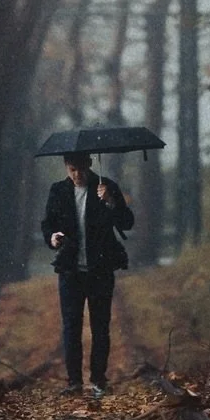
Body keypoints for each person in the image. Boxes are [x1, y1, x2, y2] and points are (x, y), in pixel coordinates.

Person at [40, 152, 134, 398]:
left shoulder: (107, 186)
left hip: (100, 271)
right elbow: (47, 224)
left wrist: (112, 201)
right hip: (70, 270)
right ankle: (74, 382)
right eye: (72, 169)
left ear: (90, 164)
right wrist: (52, 237)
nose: (77, 174)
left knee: (100, 326)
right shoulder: (58, 190)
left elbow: (126, 223)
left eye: (81, 168)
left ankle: (98, 380)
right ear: (66, 167)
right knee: (71, 326)